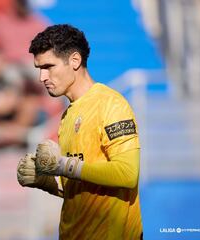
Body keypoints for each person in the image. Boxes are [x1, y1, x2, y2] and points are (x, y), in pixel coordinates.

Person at [17, 24, 143, 239]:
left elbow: (128, 174)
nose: (42, 77)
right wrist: (47, 183)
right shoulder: (67, 116)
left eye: (48, 66)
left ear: (75, 61)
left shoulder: (111, 104)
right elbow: (81, 188)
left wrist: (62, 165)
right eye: (39, 69)